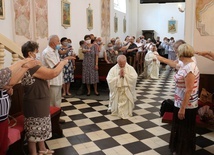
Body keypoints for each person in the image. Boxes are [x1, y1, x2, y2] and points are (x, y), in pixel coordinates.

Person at [21, 41, 69, 155]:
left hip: (40, 99)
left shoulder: (33, 64)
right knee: (34, 127)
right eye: (36, 52)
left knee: (42, 126)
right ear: (30, 53)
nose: (38, 54)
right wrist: (62, 63)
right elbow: (52, 73)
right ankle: (33, 152)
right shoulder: (30, 66)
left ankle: (42, 149)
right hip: (34, 101)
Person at [0, 59, 38, 155]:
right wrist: (23, 64)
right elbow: (6, 80)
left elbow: (6, 84)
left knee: (3, 147)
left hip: (3, 118)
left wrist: (6, 90)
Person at [169, 43, 200, 155]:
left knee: (184, 128)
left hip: (187, 105)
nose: (176, 53)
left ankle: (184, 151)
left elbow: (189, 90)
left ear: (181, 53)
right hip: (179, 101)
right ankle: (179, 149)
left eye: (177, 51)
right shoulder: (184, 64)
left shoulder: (190, 68)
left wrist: (183, 109)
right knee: (179, 127)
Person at [41, 35, 75, 123]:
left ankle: (56, 118)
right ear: (53, 43)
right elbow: (56, 65)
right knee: (52, 102)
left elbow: (58, 61)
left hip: (58, 80)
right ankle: (52, 120)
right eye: (58, 41)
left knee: (57, 101)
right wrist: (66, 60)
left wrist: (65, 59)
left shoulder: (55, 50)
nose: (59, 43)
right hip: (52, 81)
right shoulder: (47, 52)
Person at [106, 55, 138, 119]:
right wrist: (118, 77)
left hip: (126, 90)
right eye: (120, 64)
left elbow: (134, 78)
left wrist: (125, 76)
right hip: (117, 90)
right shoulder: (113, 69)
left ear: (126, 61)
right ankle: (117, 111)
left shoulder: (130, 68)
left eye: (123, 64)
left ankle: (127, 112)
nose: (122, 66)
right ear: (117, 62)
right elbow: (109, 79)